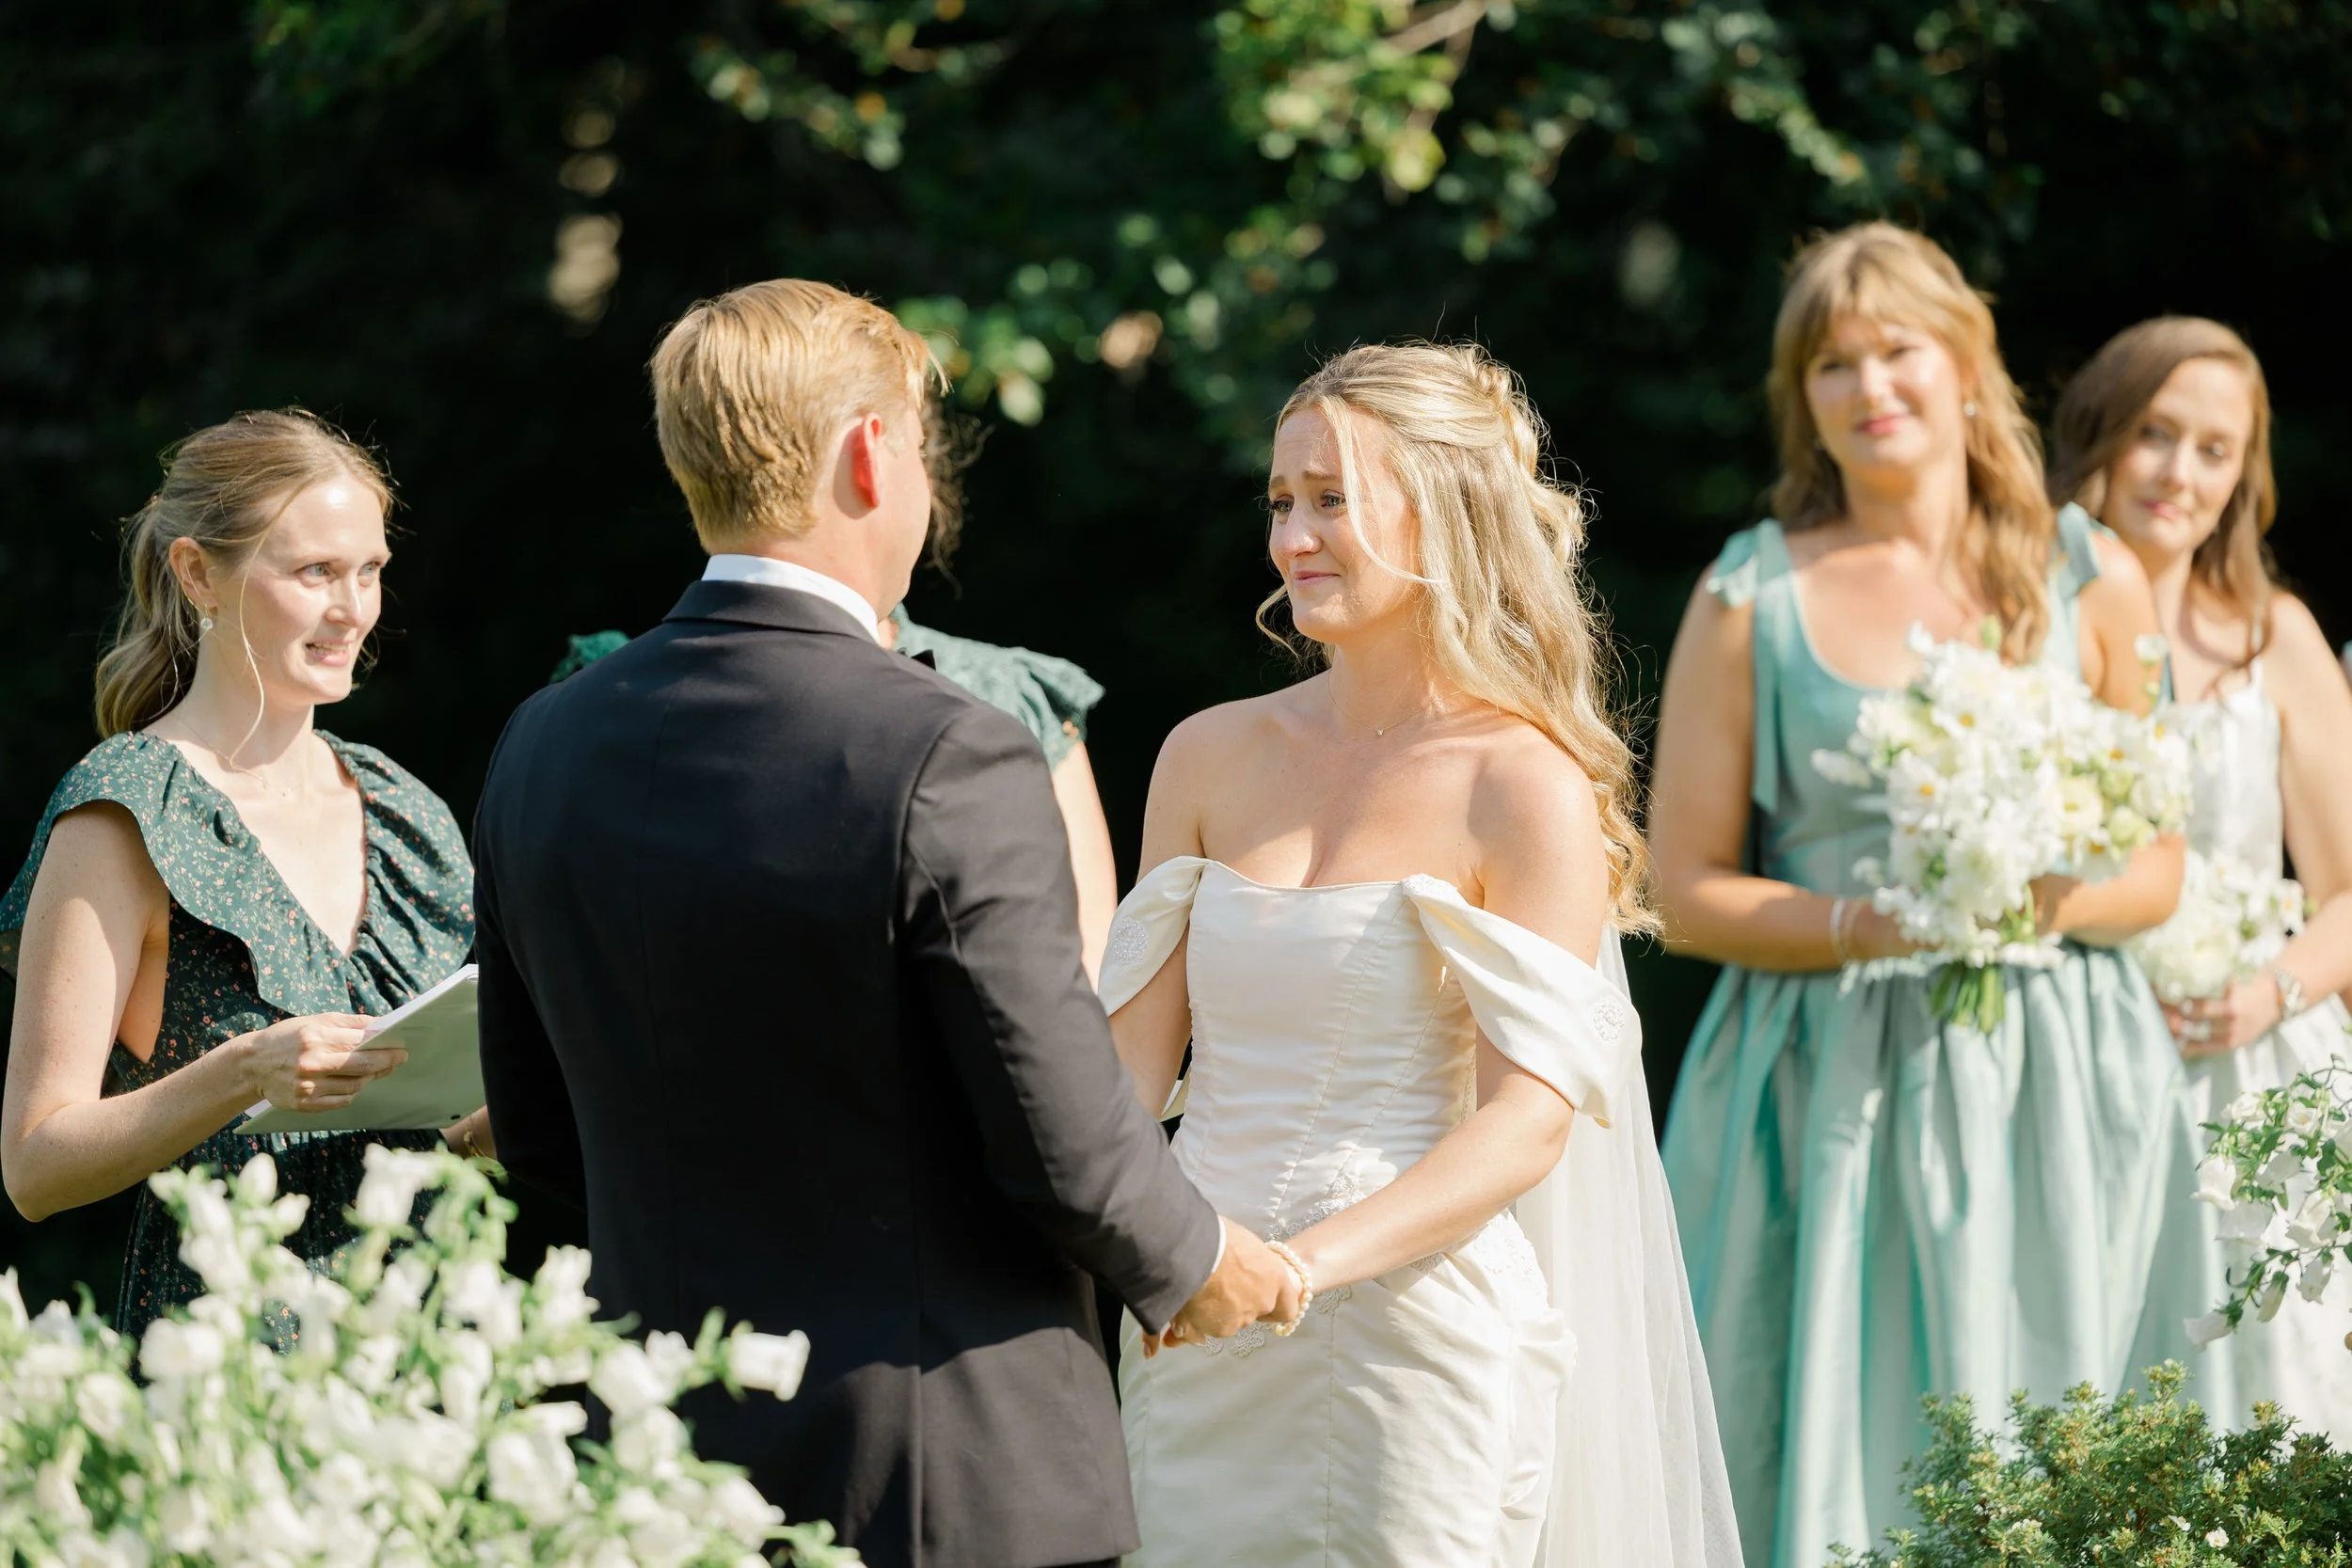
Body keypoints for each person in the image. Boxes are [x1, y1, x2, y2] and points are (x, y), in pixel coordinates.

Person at [470, 279, 1294, 1568]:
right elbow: (1059, 1132)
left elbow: (537, 1130)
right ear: (869, 451)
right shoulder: (942, 749)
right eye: (918, 440)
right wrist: (1198, 1259)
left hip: (648, 1459)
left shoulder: (543, 742)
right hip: (935, 1468)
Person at [1104, 341, 1740, 1567]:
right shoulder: (1204, 754)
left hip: (1408, 1332)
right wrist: (1169, 1256)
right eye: (1283, 501)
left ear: (1440, 508)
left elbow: (1526, 1124)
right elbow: (1128, 1078)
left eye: (1333, 498)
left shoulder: (1522, 782)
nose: (1296, 534)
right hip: (1194, 1328)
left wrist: (1294, 1267)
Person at [1650, 224, 2190, 1568]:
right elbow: (1680, 885)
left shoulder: (2093, 574)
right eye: (1832, 362)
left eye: (1897, 349)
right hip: (1822, 1085)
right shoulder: (1747, 593)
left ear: (1964, 364)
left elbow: (2163, 868)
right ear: (1804, 397)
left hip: (2061, 1077)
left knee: (2061, 1430)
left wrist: (2037, 901)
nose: (1868, 384)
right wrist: (1864, 924)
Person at [0, 410, 480, 1348]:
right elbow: (33, 1163)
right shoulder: (126, 809)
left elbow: (448, 1135)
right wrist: (243, 1071)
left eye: (369, 569)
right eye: (315, 572)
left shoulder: (408, 812)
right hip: (231, 1380)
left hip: (433, 1355)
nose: (353, 608)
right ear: (196, 574)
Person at [2051, 316, 2352, 1438]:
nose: (2180, 473)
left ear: (2242, 476)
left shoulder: (2277, 638)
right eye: (2154, 435)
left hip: (2249, 1072)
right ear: (2097, 438)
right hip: (2068, 1052)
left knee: (2264, 1408)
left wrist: (2264, 991)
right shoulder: (2019, 624)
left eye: (2213, 449)